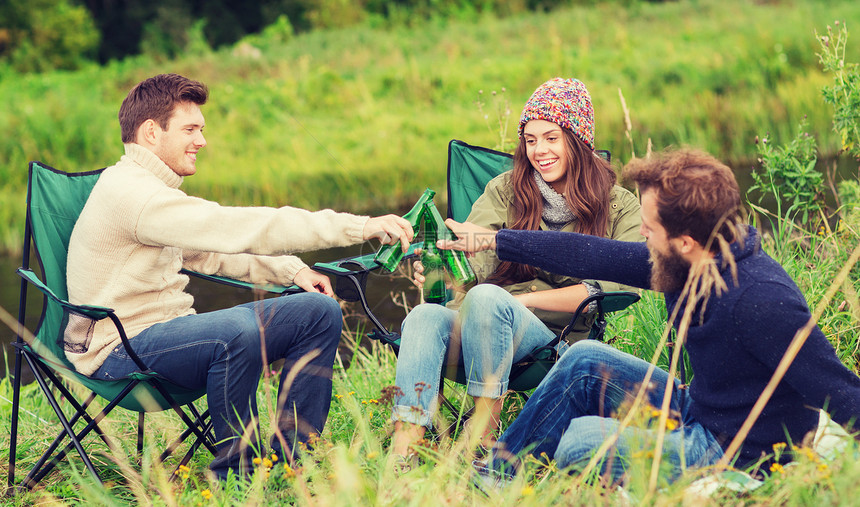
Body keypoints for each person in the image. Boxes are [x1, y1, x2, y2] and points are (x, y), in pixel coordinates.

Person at [64, 73, 414, 479]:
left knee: (318, 312)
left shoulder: (151, 192)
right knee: (235, 330)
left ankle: (294, 455)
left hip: (171, 334)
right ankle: (237, 472)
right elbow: (243, 226)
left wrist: (291, 269)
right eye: (190, 129)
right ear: (150, 132)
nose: (202, 141)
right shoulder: (134, 195)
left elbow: (210, 254)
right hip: (119, 349)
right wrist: (356, 227)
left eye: (202, 129)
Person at [439, 148, 860, 483]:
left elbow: (840, 391)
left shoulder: (762, 300)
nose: (641, 235)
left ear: (687, 241)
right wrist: (495, 239)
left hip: (736, 451)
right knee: (583, 358)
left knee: (582, 443)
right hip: (698, 407)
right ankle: (496, 476)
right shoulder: (686, 261)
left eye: (650, 228)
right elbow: (593, 254)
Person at [389, 78, 643, 462]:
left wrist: (515, 304)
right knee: (425, 315)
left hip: (552, 339)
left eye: (551, 138)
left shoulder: (619, 205)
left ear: (578, 140)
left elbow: (610, 288)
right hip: (479, 322)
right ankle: (406, 447)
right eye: (530, 139)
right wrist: (443, 270)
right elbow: (473, 266)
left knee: (489, 299)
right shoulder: (507, 189)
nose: (539, 150)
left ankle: (483, 437)